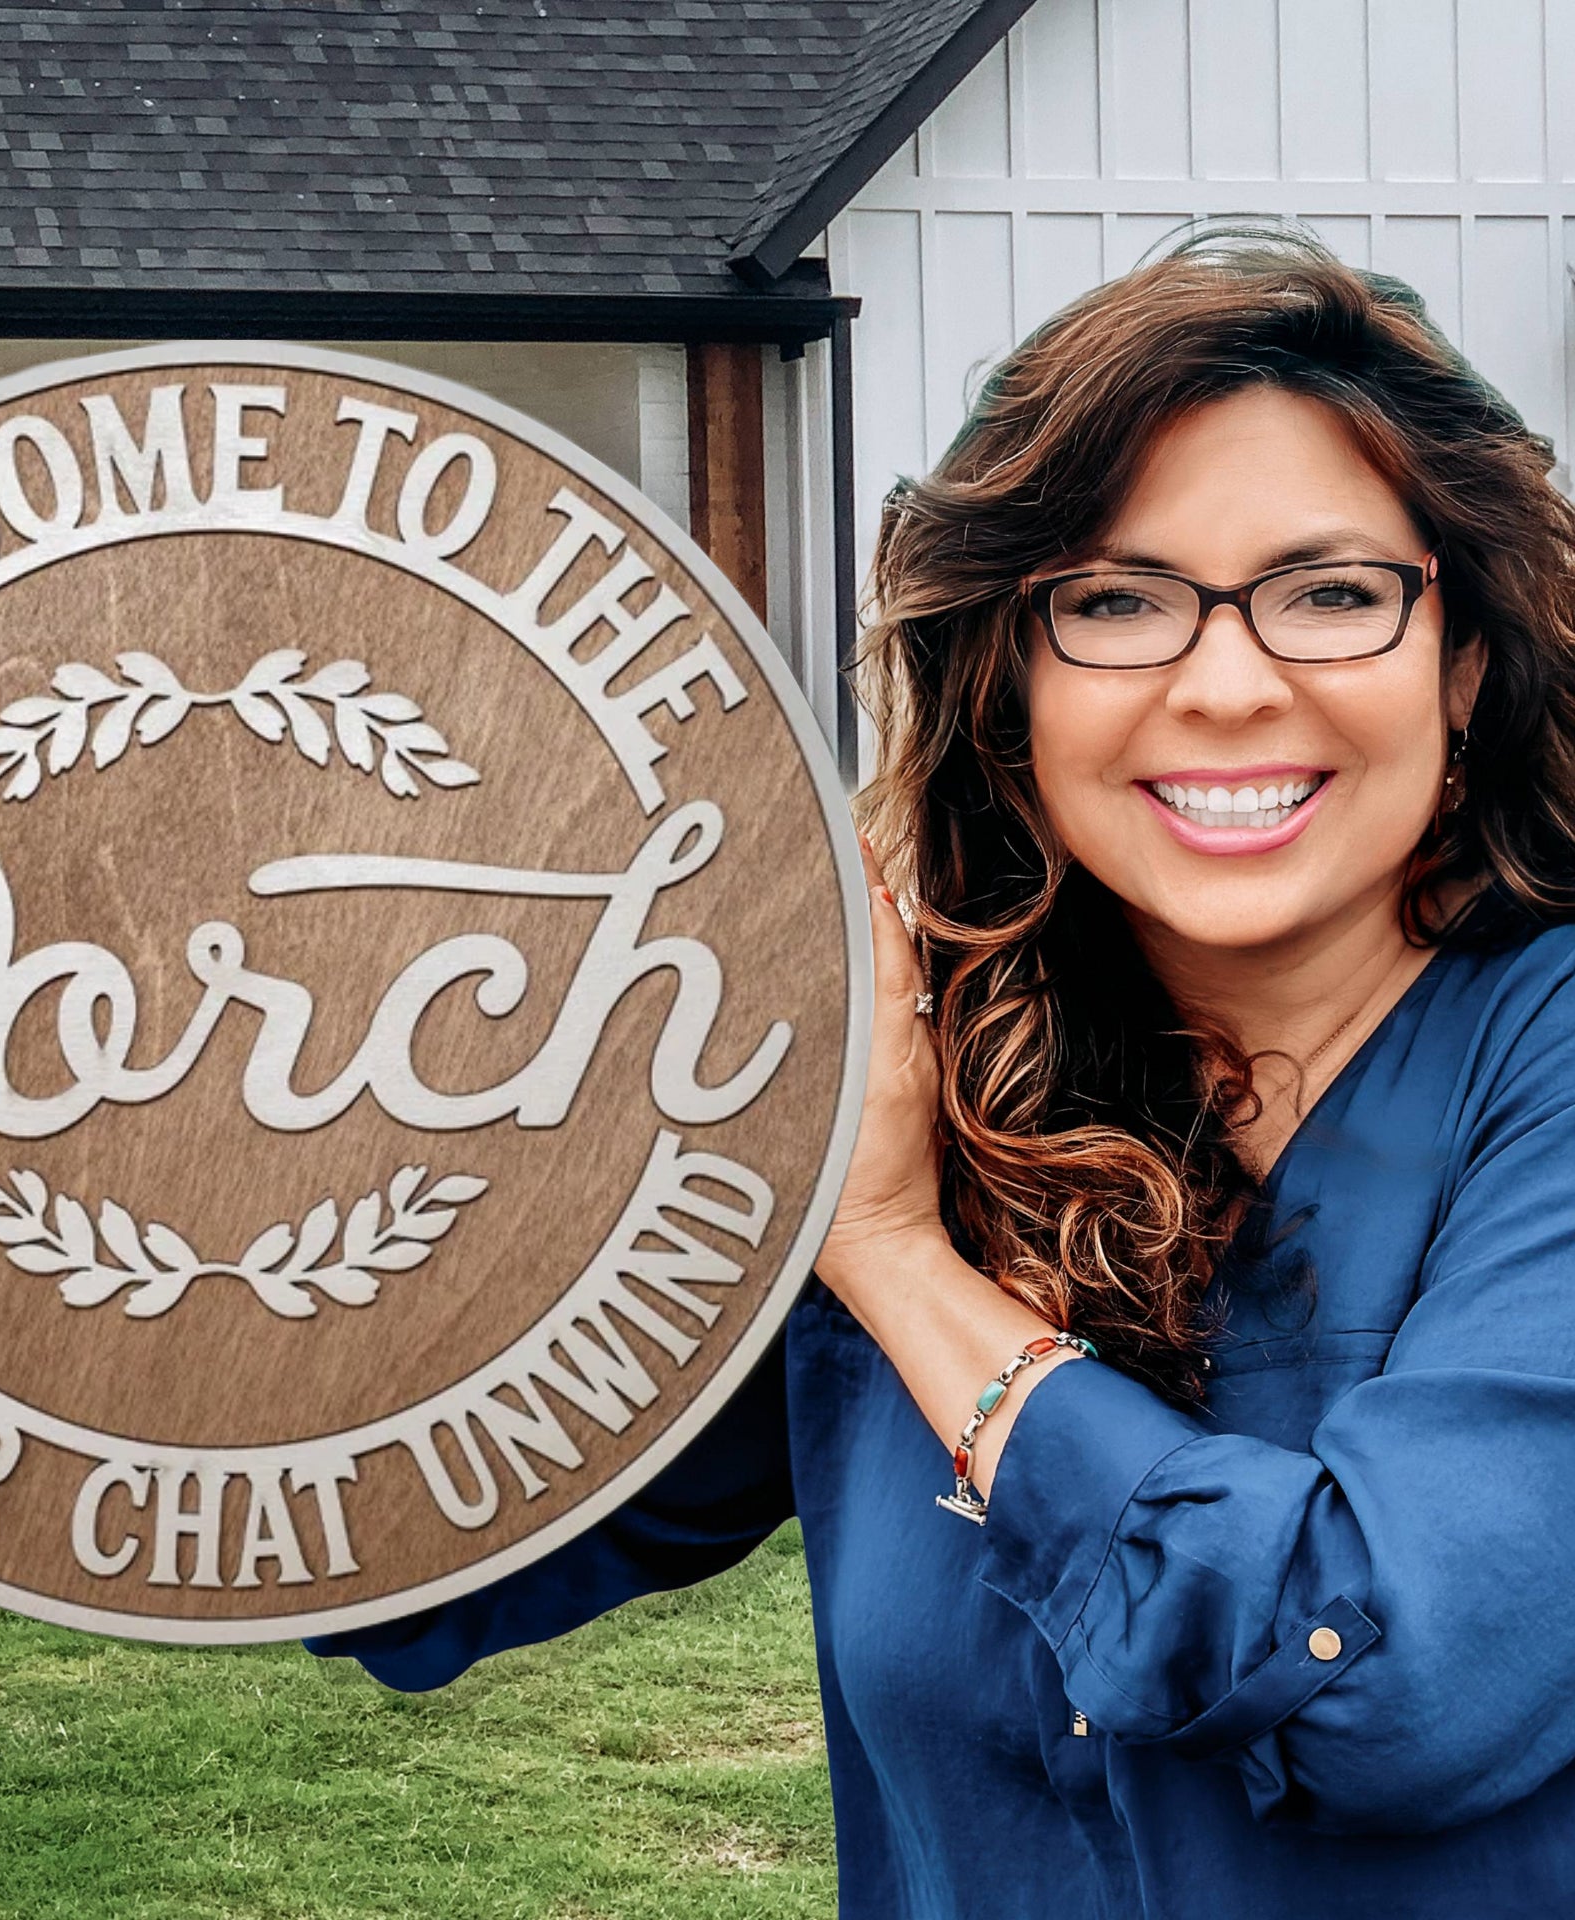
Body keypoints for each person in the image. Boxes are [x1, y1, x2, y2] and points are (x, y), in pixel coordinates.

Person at [308, 225, 1575, 1917]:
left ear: (1465, 661)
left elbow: (1383, 1685)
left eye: (1332, 592)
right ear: (1010, 687)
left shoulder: (1535, 1070)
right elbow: (416, 1548)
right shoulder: (919, 1079)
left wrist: (901, 1262)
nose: (1223, 683)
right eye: (1115, 602)